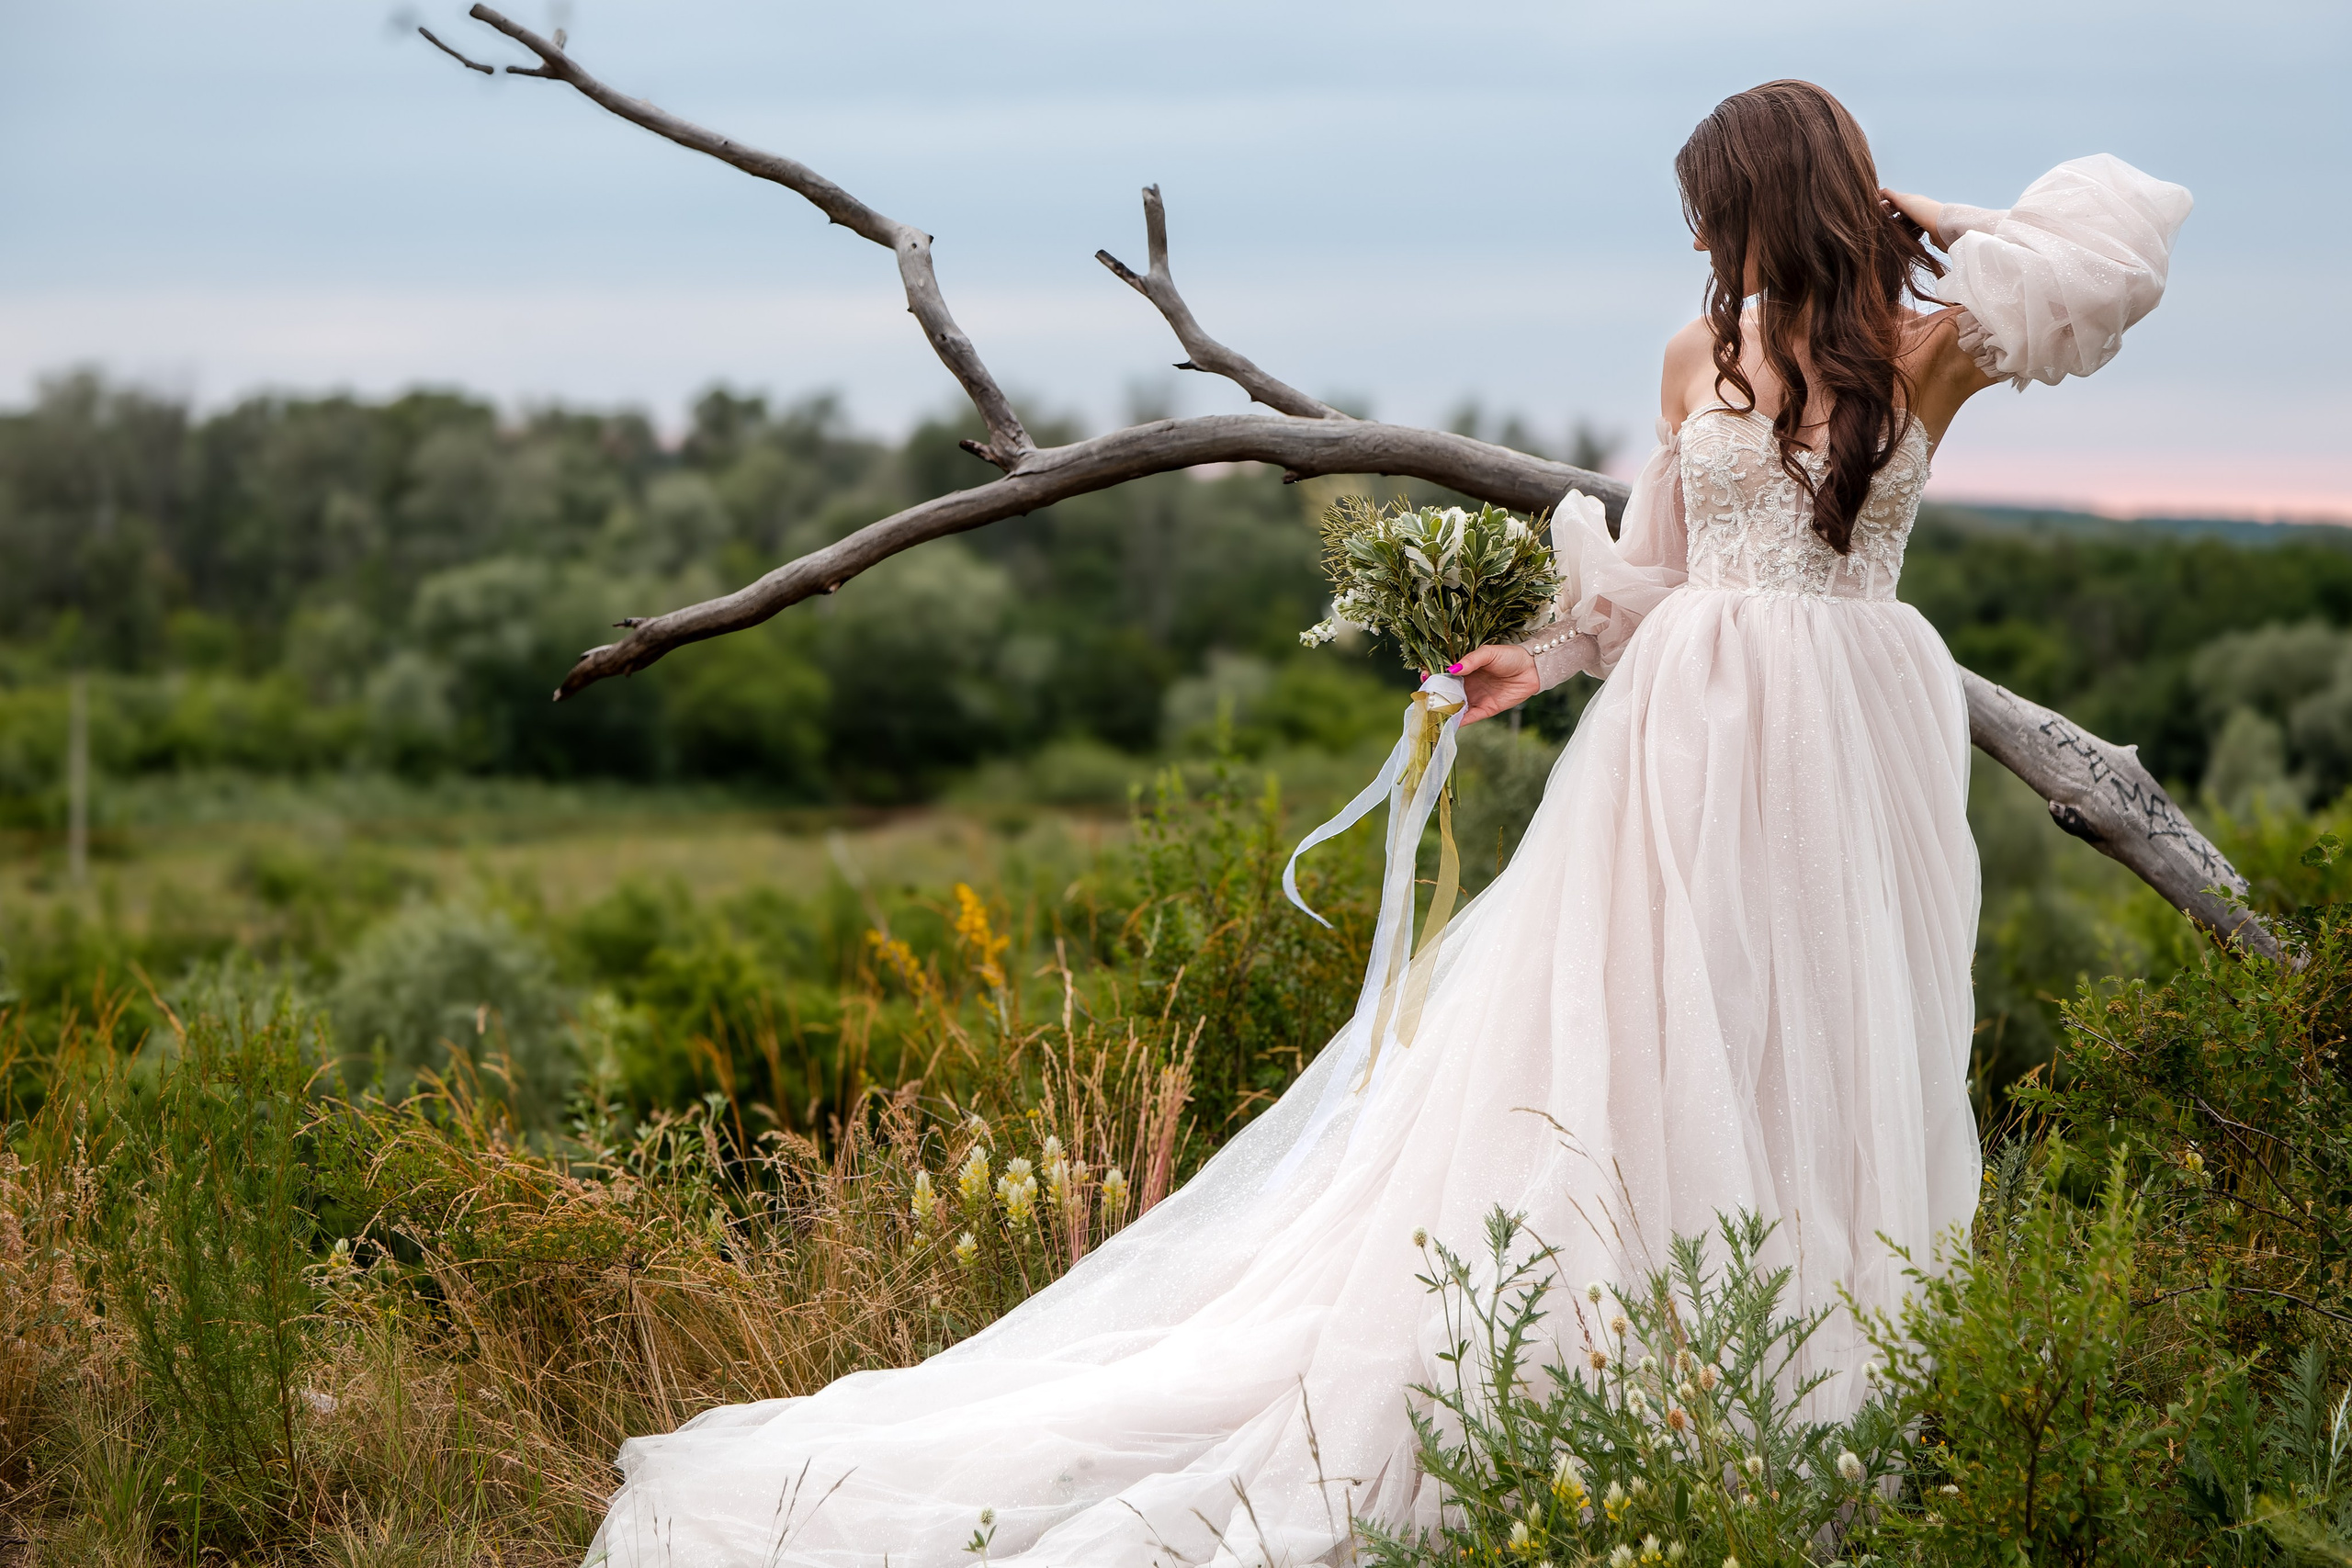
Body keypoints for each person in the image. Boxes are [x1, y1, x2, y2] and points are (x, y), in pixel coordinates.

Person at [586, 80, 2191, 1568]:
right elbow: (1650, 579)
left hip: (1851, 737)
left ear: (1785, 197)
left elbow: (2113, 256)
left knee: (1827, 1049)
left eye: (1723, 210)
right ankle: (1637, 1393)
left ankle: (1801, 1407)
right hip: (1685, 735)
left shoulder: (1932, 349)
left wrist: (1913, 207)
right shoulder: (1692, 359)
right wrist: (1534, 660)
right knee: (1657, 1038)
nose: (1707, 242)